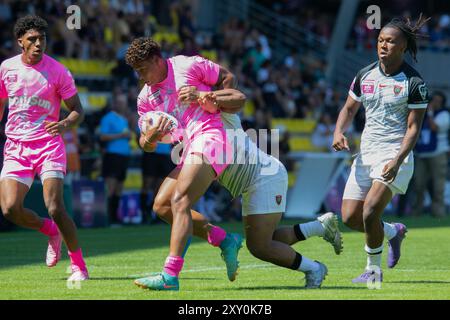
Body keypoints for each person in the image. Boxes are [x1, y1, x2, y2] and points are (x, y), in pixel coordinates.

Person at [125, 38, 342, 291]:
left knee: (186, 204)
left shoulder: (214, 102)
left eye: (142, 69)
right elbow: (146, 142)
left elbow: (236, 93)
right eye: (136, 72)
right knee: (165, 207)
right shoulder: (150, 99)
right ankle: (232, 239)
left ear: (156, 59)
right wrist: (150, 138)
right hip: (211, 157)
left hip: (261, 174)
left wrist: (206, 96)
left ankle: (170, 276)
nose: (140, 77)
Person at [332, 16, 430, 285]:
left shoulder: (414, 82)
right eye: (380, 40)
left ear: (403, 46)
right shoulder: (365, 74)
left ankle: (372, 271)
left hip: (394, 154)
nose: (383, 45)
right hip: (366, 154)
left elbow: (413, 128)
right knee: (351, 217)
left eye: (390, 41)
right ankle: (392, 232)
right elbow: (349, 108)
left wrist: (398, 160)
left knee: (370, 211)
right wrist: (338, 130)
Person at [0, 15, 88, 281]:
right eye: (32, 40)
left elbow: (77, 111)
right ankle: (50, 231)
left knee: (55, 206)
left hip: (49, 144)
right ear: (20, 42)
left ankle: (79, 266)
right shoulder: (6, 68)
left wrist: (63, 125)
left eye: (42, 39)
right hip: (16, 146)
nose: (39, 44)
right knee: (10, 209)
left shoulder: (58, 71)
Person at [413, 91, 449, 217]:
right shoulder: (422, 114)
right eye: (434, 100)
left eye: (439, 101)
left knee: (438, 185)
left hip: (438, 153)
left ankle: (438, 212)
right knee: (418, 183)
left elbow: (434, 127)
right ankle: (417, 211)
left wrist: (430, 112)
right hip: (422, 153)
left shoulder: (444, 114)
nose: (435, 103)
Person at [99, 93, 132, 226]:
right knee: (110, 188)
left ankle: (114, 217)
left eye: (124, 102)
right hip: (112, 156)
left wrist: (128, 136)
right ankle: (106, 217)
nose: (122, 105)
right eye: (119, 102)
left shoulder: (124, 119)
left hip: (124, 157)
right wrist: (121, 135)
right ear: (114, 104)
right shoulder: (108, 118)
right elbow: (103, 137)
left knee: (119, 188)